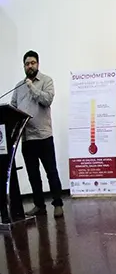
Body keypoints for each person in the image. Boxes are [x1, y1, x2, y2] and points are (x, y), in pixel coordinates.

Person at [11, 51, 64, 218]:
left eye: (33, 63)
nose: (30, 66)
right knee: (33, 176)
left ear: (38, 64)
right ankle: (39, 205)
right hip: (27, 138)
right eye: (27, 64)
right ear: (24, 66)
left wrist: (31, 87)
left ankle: (58, 204)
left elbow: (47, 100)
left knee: (51, 172)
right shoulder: (18, 87)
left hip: (43, 136)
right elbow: (13, 108)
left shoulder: (46, 81)